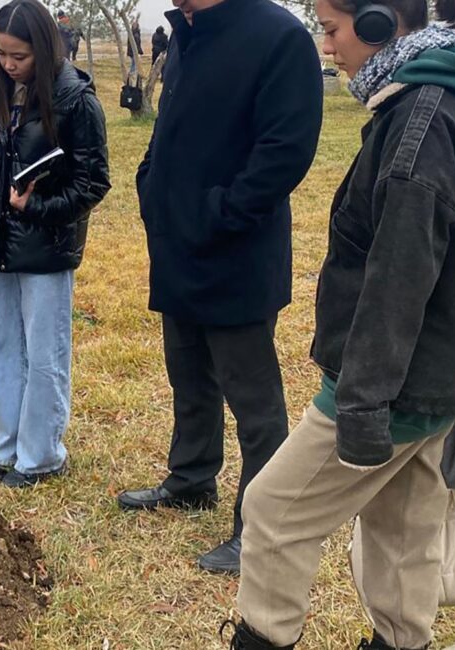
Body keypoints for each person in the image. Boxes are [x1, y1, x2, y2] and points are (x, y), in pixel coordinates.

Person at [230, 2, 455, 648]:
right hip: (440, 377)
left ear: (380, 24)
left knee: (272, 512)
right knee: (405, 531)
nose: (325, 46)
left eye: (331, 30)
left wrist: (360, 404)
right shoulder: (444, 100)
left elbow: (398, 280)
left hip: (392, 383)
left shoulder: (421, 124)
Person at [118, 0, 323, 575]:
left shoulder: (278, 36)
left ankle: (261, 527)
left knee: (253, 401)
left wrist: (220, 213)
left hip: (237, 251)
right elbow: (175, 125)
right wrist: (151, 184)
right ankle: (191, 478)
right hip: (178, 243)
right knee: (188, 373)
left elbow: (286, 150)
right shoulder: (186, 31)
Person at [0, 0, 110, 488]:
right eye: (1, 53)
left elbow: (93, 183)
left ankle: (41, 455)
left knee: (45, 353)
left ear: (44, 49)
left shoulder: (75, 100)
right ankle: (5, 444)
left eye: (19, 56)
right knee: (1, 348)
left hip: (46, 245)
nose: (8, 64)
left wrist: (37, 209)